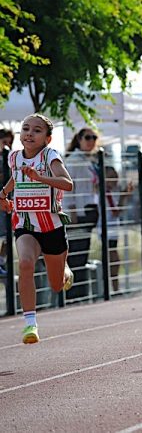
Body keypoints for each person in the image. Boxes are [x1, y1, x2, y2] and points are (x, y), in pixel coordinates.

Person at [0, 114, 74, 344]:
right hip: (25, 224)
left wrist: (40, 177)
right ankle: (30, 324)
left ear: (47, 138)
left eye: (37, 130)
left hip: (52, 227)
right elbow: (14, 178)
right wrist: (3, 195)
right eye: (26, 128)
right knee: (24, 263)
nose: (30, 133)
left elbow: (67, 183)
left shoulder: (50, 156)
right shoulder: (14, 158)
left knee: (56, 285)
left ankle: (65, 270)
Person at [63, 128, 100, 283]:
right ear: (79, 139)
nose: (91, 141)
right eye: (87, 137)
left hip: (89, 209)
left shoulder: (88, 161)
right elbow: (68, 189)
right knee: (76, 255)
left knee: (83, 252)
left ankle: (80, 292)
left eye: (94, 137)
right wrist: (73, 213)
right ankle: (74, 294)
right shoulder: (74, 160)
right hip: (79, 213)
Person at [103, 166, 134, 292]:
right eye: (111, 177)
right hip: (107, 230)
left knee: (113, 258)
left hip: (113, 230)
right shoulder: (106, 192)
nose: (115, 180)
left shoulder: (111, 192)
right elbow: (115, 212)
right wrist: (123, 197)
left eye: (115, 177)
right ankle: (113, 288)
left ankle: (115, 287)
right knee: (113, 259)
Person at [0, 128, 15, 276]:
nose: (8, 146)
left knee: (8, 234)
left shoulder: (11, 159)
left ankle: (2, 262)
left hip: (8, 202)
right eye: (4, 142)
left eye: (10, 143)